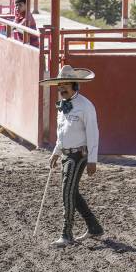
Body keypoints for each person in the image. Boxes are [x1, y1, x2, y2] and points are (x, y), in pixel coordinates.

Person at [41, 66, 104, 248]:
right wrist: (56, 151)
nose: (61, 88)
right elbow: (62, 133)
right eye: (60, 85)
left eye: (66, 84)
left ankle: (66, 233)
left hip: (80, 154)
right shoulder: (62, 106)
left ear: (75, 86)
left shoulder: (86, 106)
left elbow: (93, 133)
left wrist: (93, 159)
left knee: (66, 192)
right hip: (66, 154)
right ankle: (93, 226)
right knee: (71, 192)